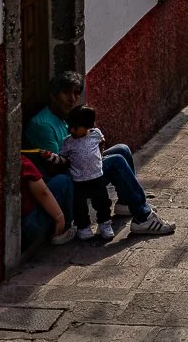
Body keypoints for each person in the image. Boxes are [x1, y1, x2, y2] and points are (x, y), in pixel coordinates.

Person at [23, 70, 174, 236]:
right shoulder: (43, 125)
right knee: (116, 161)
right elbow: (56, 168)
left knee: (122, 149)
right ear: (53, 95)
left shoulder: (67, 117)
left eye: (76, 93)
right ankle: (143, 216)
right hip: (73, 180)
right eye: (66, 93)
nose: (72, 99)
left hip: (79, 165)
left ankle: (125, 203)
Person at [64, 105, 116, 242]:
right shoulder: (68, 142)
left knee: (102, 202)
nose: (72, 130)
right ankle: (83, 227)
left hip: (96, 176)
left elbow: (101, 143)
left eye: (76, 127)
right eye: (70, 127)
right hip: (78, 180)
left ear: (87, 126)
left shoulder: (95, 134)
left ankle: (105, 223)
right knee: (80, 206)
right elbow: (63, 156)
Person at [21, 150, 75, 251]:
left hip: (20, 225)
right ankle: (64, 230)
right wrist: (60, 218)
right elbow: (43, 193)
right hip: (30, 225)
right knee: (64, 180)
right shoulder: (22, 162)